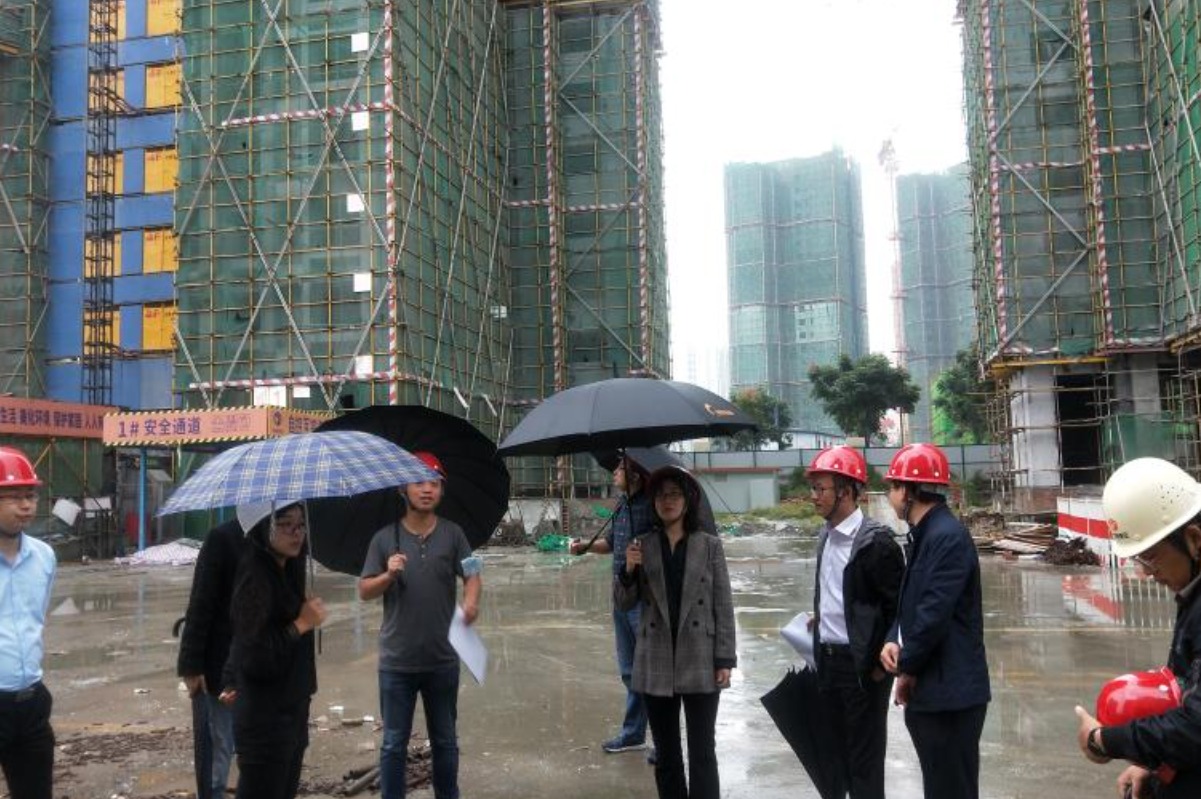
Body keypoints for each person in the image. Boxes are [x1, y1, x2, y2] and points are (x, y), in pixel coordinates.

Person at [1073, 457, 1201, 798]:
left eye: (1151, 556)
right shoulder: (1192, 593)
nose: (1146, 572)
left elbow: (1195, 727)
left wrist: (1103, 740)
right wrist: (1156, 764)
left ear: (1194, 539)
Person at [359, 451, 482, 799]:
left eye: (434, 483)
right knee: (393, 743)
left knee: (445, 741)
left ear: (441, 490)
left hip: (442, 659)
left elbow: (472, 573)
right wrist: (388, 575)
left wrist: (471, 601)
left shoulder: (454, 534)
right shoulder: (384, 538)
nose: (427, 489)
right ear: (403, 489)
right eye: (418, 482)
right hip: (397, 662)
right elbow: (365, 591)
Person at [617, 465, 736, 799]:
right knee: (667, 754)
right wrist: (628, 568)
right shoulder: (642, 545)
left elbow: (723, 604)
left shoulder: (709, 546)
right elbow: (624, 603)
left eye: (674, 494)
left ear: (687, 500)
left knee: (703, 751)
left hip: (700, 656)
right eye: (660, 495)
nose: (667, 501)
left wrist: (725, 659)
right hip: (656, 659)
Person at [878, 443, 990, 799]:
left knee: (951, 789)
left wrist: (906, 668)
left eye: (892, 486)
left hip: (951, 696)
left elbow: (932, 614)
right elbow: (910, 603)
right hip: (935, 690)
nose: (890, 496)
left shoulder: (946, 537)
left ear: (908, 491)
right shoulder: (925, 534)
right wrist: (894, 637)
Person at [808, 446, 904, 799]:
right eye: (813, 488)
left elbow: (898, 610)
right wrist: (823, 617)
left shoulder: (877, 543)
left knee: (864, 763)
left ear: (846, 492)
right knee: (833, 760)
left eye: (821, 489)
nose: (814, 496)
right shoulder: (825, 536)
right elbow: (840, 593)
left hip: (862, 669)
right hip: (827, 662)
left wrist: (879, 668)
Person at [220, 502, 326, 799]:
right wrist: (302, 624)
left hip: (291, 713)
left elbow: (240, 641)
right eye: (286, 524)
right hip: (266, 723)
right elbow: (256, 656)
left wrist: (230, 678)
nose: (297, 532)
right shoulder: (255, 577)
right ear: (263, 528)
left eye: (301, 524)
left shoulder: (286, 570)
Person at [569, 452, 655, 755]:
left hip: (646, 598)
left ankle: (664, 739)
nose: (614, 473)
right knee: (630, 670)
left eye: (620, 468)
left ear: (635, 474)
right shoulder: (621, 504)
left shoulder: (652, 505)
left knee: (652, 670)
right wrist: (585, 547)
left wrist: (641, 556)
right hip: (622, 594)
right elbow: (611, 544)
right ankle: (633, 734)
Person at [176, 513, 249, 799]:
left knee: (253, 753)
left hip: (259, 666)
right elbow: (200, 603)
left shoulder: (280, 544)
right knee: (218, 753)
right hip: (219, 665)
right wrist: (191, 664)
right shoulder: (223, 539)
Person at [0, 447, 56, 799]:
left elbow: (37, 619)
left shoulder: (44, 557)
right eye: (14, 497)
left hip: (31, 703)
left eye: (31, 495)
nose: (26, 506)